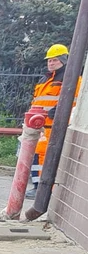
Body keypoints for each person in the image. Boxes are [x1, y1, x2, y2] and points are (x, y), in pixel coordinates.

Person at [29, 44, 82, 197]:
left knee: (45, 155)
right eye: (49, 61)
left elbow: (74, 99)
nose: (51, 63)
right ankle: (38, 186)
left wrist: (59, 111)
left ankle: (43, 189)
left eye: (54, 61)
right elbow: (37, 101)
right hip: (38, 124)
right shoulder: (45, 79)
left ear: (63, 61)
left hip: (53, 126)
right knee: (37, 155)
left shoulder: (70, 79)